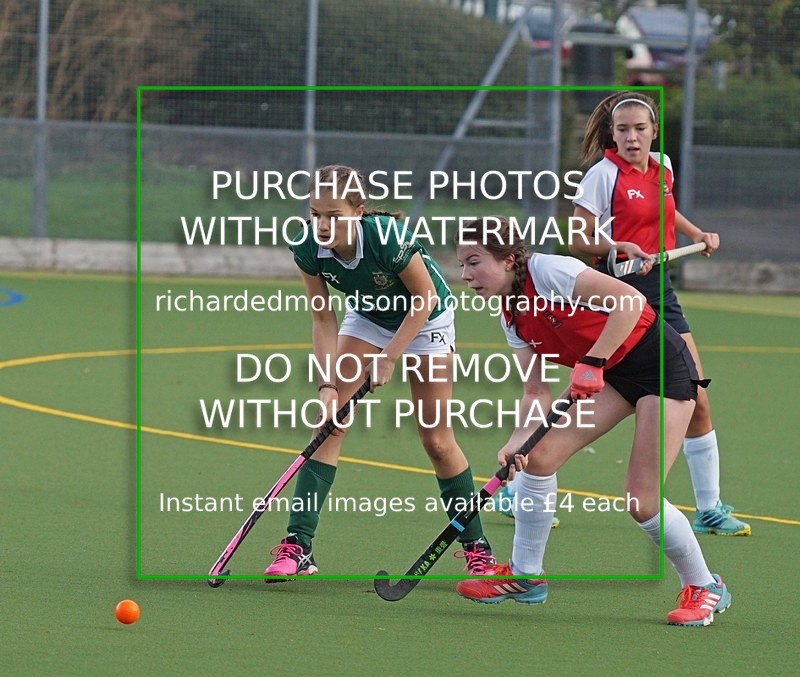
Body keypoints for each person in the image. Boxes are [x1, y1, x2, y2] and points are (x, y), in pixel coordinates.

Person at [453, 217, 732, 627]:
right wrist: (517, 442)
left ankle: (705, 585)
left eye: (474, 262)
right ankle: (525, 576)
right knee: (538, 456)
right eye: (462, 265)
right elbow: (535, 392)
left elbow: (630, 301)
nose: (465, 275)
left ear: (509, 259)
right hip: (611, 374)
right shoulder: (511, 315)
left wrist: (593, 361)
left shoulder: (550, 271)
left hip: (660, 367)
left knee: (642, 500)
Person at [263, 164, 498, 580]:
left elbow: (425, 298)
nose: (322, 225)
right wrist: (327, 385)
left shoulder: (386, 238)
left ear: (358, 212)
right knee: (328, 425)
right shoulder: (307, 246)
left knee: (437, 442)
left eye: (333, 215)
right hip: (369, 317)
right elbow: (322, 318)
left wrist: (389, 356)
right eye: (315, 214)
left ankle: (476, 547)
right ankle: (298, 545)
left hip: (426, 320)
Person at [567, 91, 749, 536]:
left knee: (696, 395)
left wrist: (697, 233)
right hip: (617, 290)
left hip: (659, 289)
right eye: (623, 130)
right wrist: (618, 247)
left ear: (654, 131)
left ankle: (709, 508)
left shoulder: (663, 166)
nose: (631, 137)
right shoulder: (601, 175)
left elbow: (666, 211)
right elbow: (577, 238)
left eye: (639, 129)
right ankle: (525, 478)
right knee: (592, 397)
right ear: (612, 134)